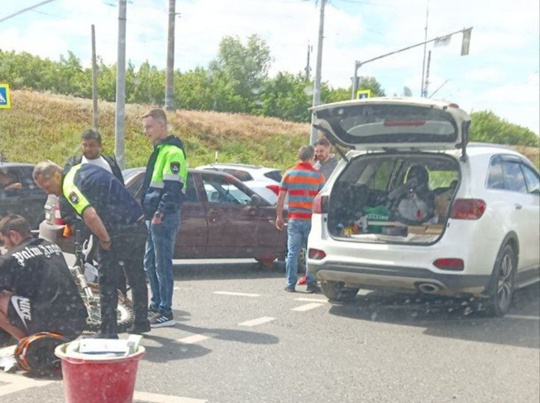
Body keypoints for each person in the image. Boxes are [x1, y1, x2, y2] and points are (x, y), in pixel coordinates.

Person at [33, 161, 150, 338]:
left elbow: (90, 215)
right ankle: (142, 321)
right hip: (137, 223)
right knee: (136, 274)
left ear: (57, 175)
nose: (47, 192)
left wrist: (104, 240)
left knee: (106, 279)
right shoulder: (82, 169)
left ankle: (108, 330)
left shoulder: (70, 186)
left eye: (46, 186)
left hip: (118, 229)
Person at [0, 214, 87, 343]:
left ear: (14, 235)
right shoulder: (51, 246)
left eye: (3, 241)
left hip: (51, 325)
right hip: (77, 321)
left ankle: (30, 345)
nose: (5, 247)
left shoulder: (10, 259)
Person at [141, 108, 188, 328]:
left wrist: (160, 213)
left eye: (149, 126)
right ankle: (157, 305)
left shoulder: (172, 152)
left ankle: (165, 311)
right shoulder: (160, 151)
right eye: (145, 127)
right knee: (149, 263)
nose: (146, 131)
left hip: (164, 217)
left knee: (162, 265)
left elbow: (173, 188)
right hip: (154, 217)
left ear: (162, 125)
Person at [275, 145, 324, 293]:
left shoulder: (289, 174)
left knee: (292, 252)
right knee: (311, 252)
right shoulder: (318, 176)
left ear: (299, 156)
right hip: (311, 219)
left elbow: (281, 197)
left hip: (294, 218)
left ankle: (290, 283)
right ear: (311, 158)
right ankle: (311, 283)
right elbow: (322, 199)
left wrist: (279, 217)